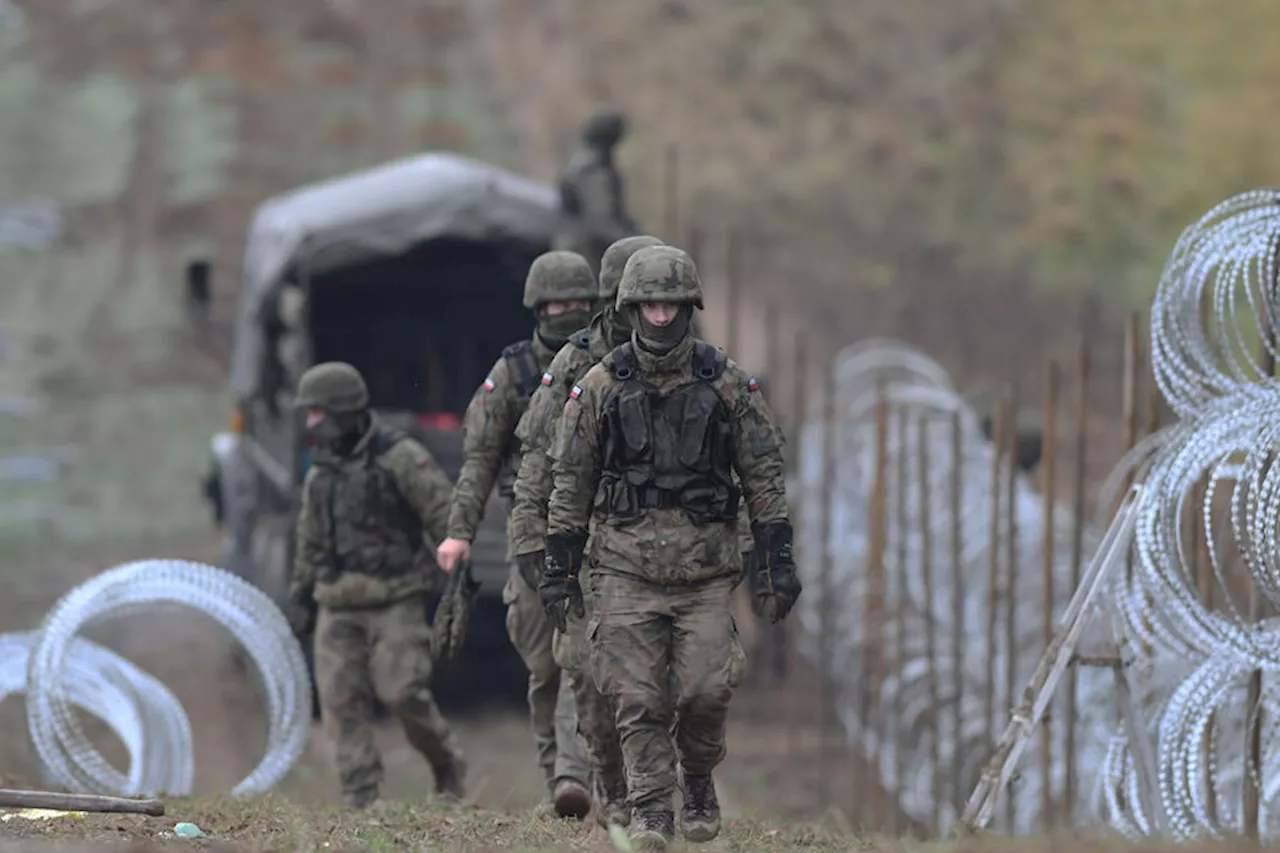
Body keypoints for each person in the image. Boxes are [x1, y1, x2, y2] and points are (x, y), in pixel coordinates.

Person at [540, 245, 803, 849]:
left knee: (705, 691)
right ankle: (653, 809)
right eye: (650, 304)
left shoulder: (729, 384)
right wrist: (559, 564)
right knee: (634, 698)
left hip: (705, 573)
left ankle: (700, 778)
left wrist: (776, 559)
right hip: (622, 570)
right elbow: (571, 479)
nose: (661, 316)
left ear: (689, 307)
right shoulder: (599, 386)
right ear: (632, 308)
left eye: (672, 305)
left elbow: (763, 473)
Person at [435, 251, 597, 819]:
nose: (569, 313)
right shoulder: (512, 375)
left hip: (597, 537)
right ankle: (560, 781)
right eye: (559, 304)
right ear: (537, 307)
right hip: (529, 536)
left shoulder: (609, 365)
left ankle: (581, 778)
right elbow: (478, 461)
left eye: (580, 303)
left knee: (584, 658)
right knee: (544, 664)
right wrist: (459, 534)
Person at [285, 361, 466, 809]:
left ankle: (446, 762)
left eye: (317, 413)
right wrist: (302, 593)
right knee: (340, 701)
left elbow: (443, 510)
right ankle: (361, 796)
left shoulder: (398, 456)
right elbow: (310, 539)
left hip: (395, 594)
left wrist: (457, 566)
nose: (310, 423)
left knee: (402, 690)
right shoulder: (320, 473)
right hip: (337, 600)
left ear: (342, 411)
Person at [554, 106, 637, 276]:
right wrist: (636, 244)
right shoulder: (593, 170)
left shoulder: (578, 161)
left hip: (574, 251)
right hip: (588, 257)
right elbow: (602, 222)